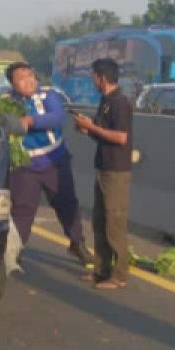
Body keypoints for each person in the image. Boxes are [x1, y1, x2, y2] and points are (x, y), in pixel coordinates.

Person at [2, 61, 94, 266]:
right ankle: (15, 251)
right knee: (22, 211)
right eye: (21, 78)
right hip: (24, 167)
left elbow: (57, 118)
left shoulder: (48, 96)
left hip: (55, 161)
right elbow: (7, 126)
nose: (28, 81)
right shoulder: (6, 102)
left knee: (67, 204)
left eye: (30, 75)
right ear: (12, 84)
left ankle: (78, 244)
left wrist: (30, 121)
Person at [73, 58, 134, 291]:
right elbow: (102, 133)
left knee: (114, 222)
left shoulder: (120, 103)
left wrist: (93, 127)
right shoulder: (105, 101)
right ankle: (101, 269)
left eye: (93, 77)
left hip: (116, 170)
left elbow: (120, 137)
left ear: (102, 78)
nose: (93, 82)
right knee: (99, 221)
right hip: (103, 166)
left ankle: (119, 274)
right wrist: (87, 129)